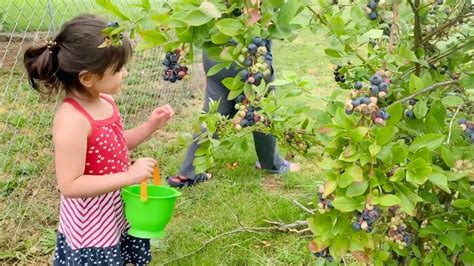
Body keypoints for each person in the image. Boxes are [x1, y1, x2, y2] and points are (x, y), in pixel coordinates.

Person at [23, 14, 174, 265]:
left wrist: (150, 126)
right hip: (91, 223)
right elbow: (70, 185)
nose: (124, 73)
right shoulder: (71, 119)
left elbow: (114, 146)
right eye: (117, 69)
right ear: (87, 78)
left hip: (113, 208)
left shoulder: (106, 102)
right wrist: (129, 176)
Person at [167, 39, 299, 188]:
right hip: (247, 58)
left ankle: (188, 173)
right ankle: (270, 163)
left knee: (212, 115)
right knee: (262, 111)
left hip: (215, 56)